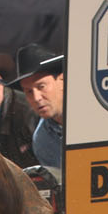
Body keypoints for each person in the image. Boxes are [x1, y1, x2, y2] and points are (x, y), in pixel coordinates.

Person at [11, 43, 65, 178]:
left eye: (41, 86)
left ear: (62, 80)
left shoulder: (92, 114)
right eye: (29, 91)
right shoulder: (42, 139)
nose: (36, 98)